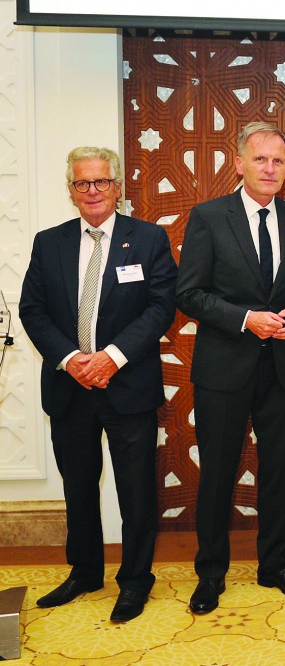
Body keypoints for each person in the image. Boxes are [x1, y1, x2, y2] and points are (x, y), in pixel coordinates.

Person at [19, 146, 177, 623]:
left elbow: (161, 307)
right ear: (71, 190)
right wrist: (71, 360)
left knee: (136, 492)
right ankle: (85, 571)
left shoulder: (148, 239)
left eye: (101, 181)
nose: (92, 191)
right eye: (82, 183)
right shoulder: (49, 242)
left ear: (117, 186)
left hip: (128, 385)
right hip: (70, 388)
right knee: (79, 488)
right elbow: (32, 310)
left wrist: (111, 357)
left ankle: (135, 581)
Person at [176, 122, 285, 614]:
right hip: (223, 369)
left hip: (278, 367)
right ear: (239, 164)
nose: (270, 169)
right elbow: (188, 293)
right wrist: (245, 319)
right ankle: (210, 574)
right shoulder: (209, 217)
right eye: (261, 159)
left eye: (278, 161)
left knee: (278, 472)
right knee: (217, 474)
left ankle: (274, 564)